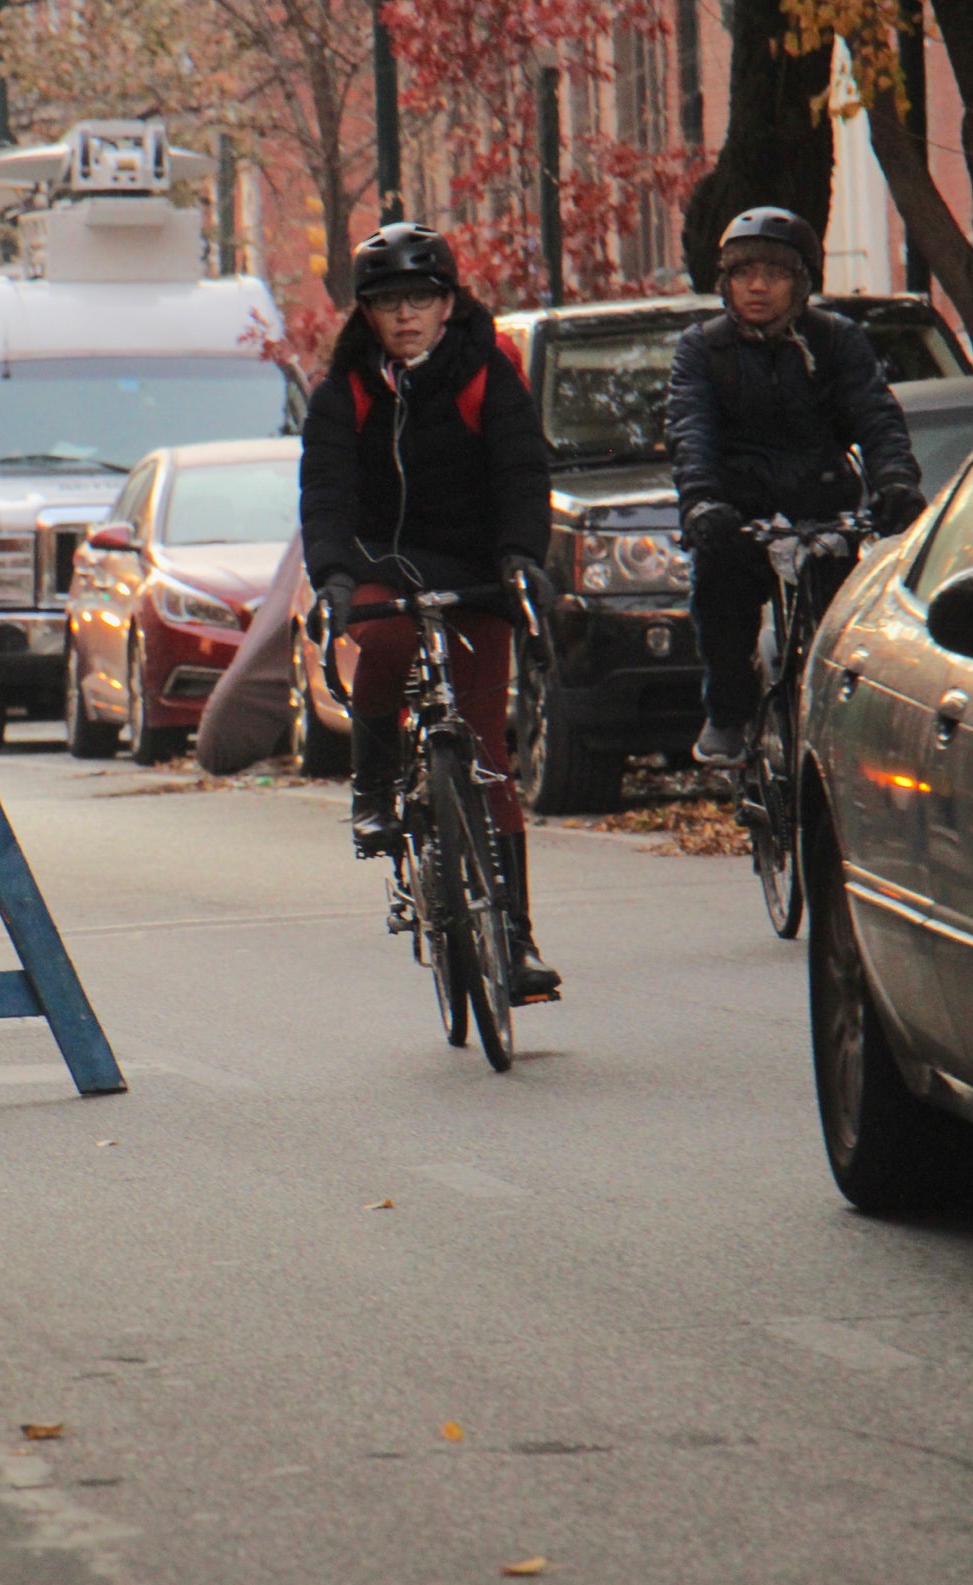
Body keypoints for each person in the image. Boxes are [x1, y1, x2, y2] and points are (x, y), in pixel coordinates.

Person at [300, 222, 562, 1001]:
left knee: (487, 758)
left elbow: (522, 468)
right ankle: (374, 789)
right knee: (380, 645)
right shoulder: (344, 388)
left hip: (478, 565)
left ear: (448, 302)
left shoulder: (488, 371)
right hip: (382, 561)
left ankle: (513, 941)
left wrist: (520, 556)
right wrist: (336, 576)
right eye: (388, 303)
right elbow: (326, 492)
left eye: (421, 298)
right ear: (367, 315)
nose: (406, 315)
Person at [665, 207, 923, 767]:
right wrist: (704, 502)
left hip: (824, 508)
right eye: (743, 272)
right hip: (739, 513)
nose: (757, 286)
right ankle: (729, 714)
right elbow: (692, 430)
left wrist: (896, 481)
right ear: (725, 282)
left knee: (849, 622)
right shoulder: (702, 349)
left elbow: (876, 417)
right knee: (720, 597)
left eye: (775, 273)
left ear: (802, 283)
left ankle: (847, 733)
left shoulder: (837, 341)